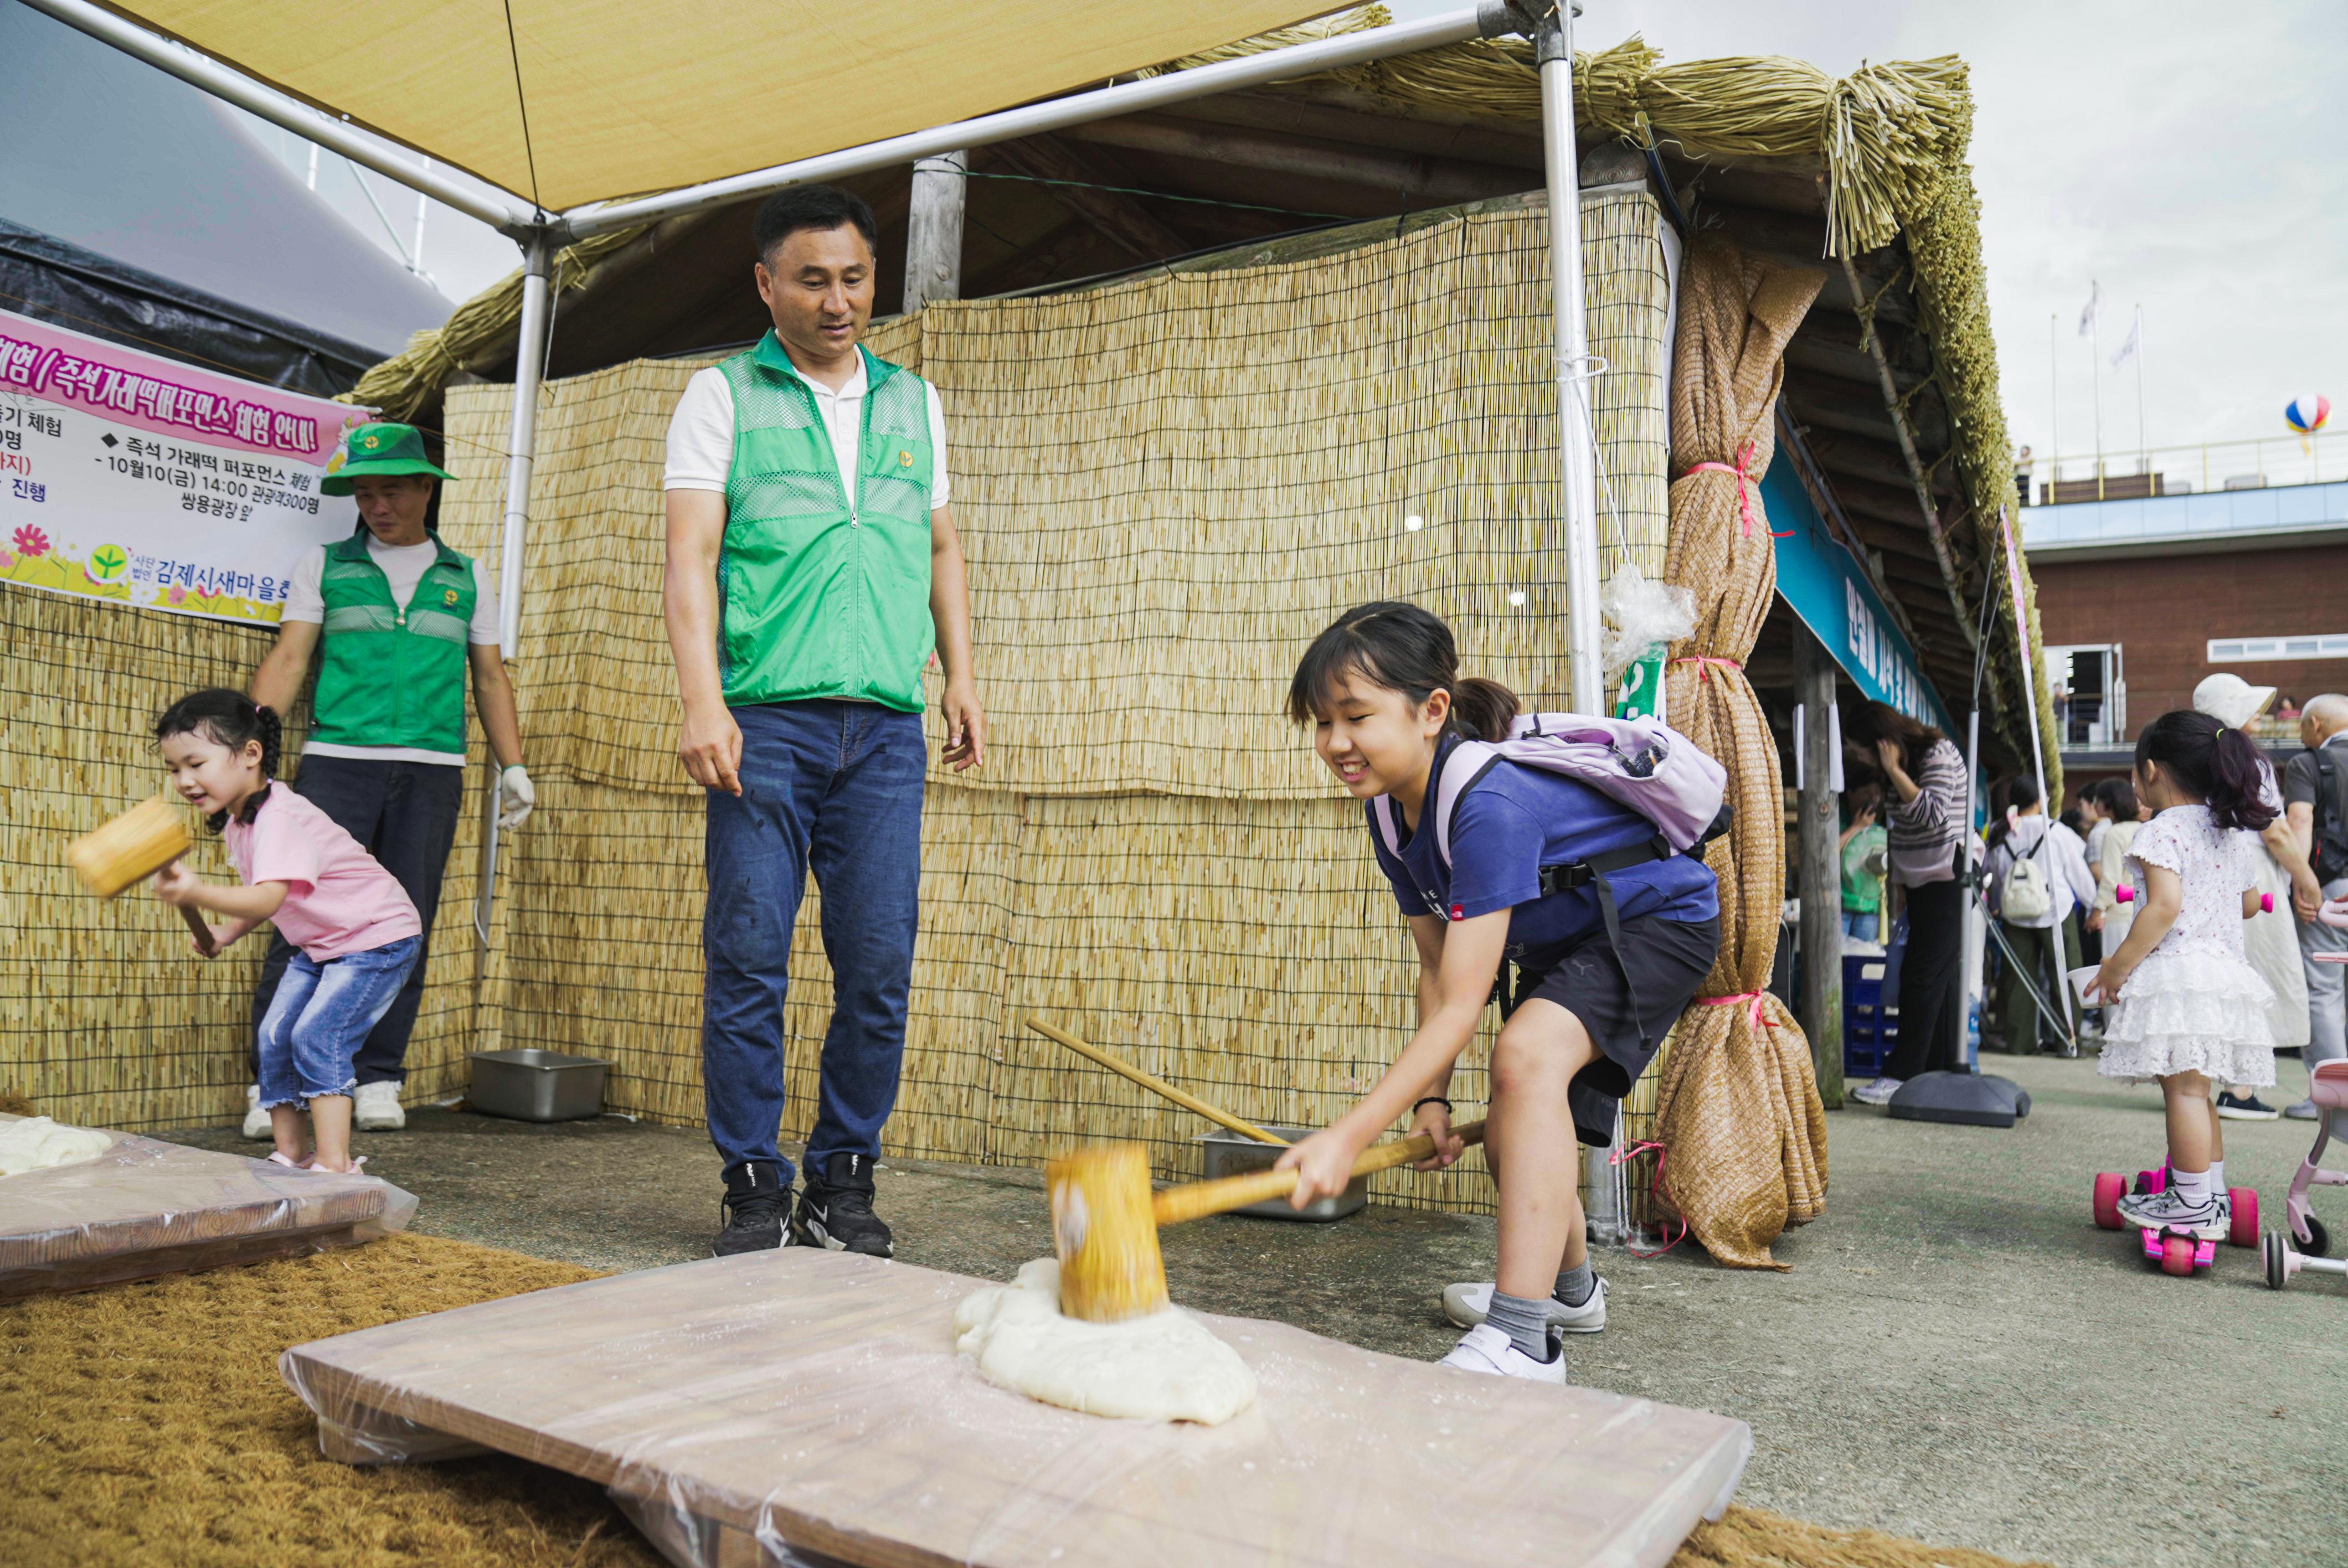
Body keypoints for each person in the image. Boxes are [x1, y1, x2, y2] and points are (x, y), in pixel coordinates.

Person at [1273, 603, 1718, 1382]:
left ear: (1431, 712)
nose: (1336, 742)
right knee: (1517, 1125)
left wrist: (1348, 1138)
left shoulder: (1488, 806)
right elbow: (1437, 969)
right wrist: (1431, 1103)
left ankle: (1522, 1338)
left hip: (1657, 922)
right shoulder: (1390, 811)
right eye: (1322, 723)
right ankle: (1570, 1293)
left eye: (1356, 716)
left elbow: (1461, 1005)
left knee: (1525, 1059)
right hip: (1568, 940)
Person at [662, 185, 985, 1258]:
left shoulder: (914, 402)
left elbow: (939, 545)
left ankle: (843, 1182)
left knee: (879, 965)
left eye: (853, 278)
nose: (837, 301)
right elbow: (690, 557)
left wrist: (961, 676)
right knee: (749, 955)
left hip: (884, 732)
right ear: (767, 285)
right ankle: (754, 1185)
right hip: (765, 723)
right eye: (812, 281)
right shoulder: (722, 394)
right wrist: (702, 700)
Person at [241, 422, 532, 1139]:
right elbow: (289, 659)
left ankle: (377, 1077)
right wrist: (249, 752)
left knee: (402, 925)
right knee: (302, 917)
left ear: (427, 489)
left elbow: (490, 677)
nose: (378, 506)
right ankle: (274, 1085)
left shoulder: (466, 576)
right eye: (365, 493)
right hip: (337, 763)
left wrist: (514, 765)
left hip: (433, 770)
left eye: (393, 490)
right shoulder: (326, 565)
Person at [149, 689, 421, 1174]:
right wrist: (226, 933)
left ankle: (335, 1165)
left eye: (196, 764)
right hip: (322, 946)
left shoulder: (280, 818)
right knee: (275, 1036)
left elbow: (268, 899)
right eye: (174, 769)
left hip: (377, 939)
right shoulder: (241, 823)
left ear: (250, 754)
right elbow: (273, 893)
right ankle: (292, 1156)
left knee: (318, 1036)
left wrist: (197, 891)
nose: (184, 780)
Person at [2089, 710, 2277, 1236]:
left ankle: (2192, 1204)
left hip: (2180, 977)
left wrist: (2117, 967)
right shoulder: (2228, 831)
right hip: (2224, 978)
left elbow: (2165, 906)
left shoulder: (2162, 830)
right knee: (2201, 1092)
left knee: (2184, 1093)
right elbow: (2247, 903)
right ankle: (2210, 1194)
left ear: (2151, 770)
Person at [2194, 673, 2305, 1118]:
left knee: (2215, 977)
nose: (2260, 713)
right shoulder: (2250, 762)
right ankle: (2240, 1089)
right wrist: (2306, 878)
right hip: (2252, 875)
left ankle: (2205, 1082)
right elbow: (2275, 832)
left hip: (2204, 875)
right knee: (2259, 975)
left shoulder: (2191, 759)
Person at [1849, 703, 1969, 1105]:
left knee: (1922, 976)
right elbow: (1899, 834)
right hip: (1919, 880)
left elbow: (1934, 815)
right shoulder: (1896, 770)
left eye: (1863, 750)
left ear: (1883, 742)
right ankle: (1937, 1071)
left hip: (1949, 874)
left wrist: (1895, 771)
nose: (1863, 759)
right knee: (1936, 976)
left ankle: (1902, 1075)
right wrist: (1899, 887)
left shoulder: (1938, 754)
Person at [1980, 776, 2095, 1054]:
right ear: (2039, 799)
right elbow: (2078, 873)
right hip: (2056, 912)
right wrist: (2093, 905)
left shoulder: (1999, 831)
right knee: (2065, 977)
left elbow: (1992, 873)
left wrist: (1997, 904)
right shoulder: (2055, 830)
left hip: (2014, 913)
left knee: (2017, 979)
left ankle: (2020, 1043)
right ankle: (2068, 1043)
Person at [2280, 692, 2348, 1119]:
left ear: (2316, 724)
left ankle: (2335, 1100)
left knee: (2324, 989)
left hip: (2333, 888)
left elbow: (2300, 822)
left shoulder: (2308, 764)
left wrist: (2301, 881)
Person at [1839, 785, 1887, 943]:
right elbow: (1826, 855)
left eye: (1876, 794)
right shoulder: (1835, 822)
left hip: (1869, 909)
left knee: (1865, 955)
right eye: (1866, 792)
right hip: (1839, 908)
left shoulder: (1879, 832)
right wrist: (1857, 827)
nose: (1872, 798)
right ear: (1850, 794)